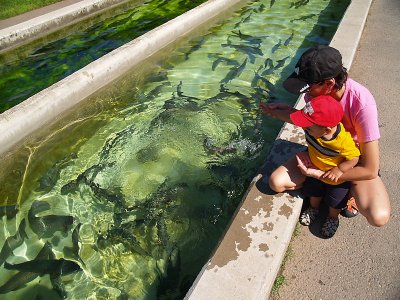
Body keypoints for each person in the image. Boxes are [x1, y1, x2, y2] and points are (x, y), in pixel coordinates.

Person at [260, 45, 390, 227]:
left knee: (378, 216)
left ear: (328, 84)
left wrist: (322, 175)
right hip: (322, 153)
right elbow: (311, 122)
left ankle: (344, 193)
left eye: (307, 89)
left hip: (352, 160)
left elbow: (369, 168)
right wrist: (279, 112)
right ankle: (327, 191)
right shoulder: (316, 94)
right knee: (276, 182)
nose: (305, 94)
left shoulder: (362, 103)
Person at [288, 95, 360, 237]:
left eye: (308, 128)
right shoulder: (314, 130)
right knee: (314, 192)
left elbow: (354, 158)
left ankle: (333, 218)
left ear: (326, 130)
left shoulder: (342, 141)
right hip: (316, 170)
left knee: (336, 201)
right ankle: (314, 208)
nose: (304, 128)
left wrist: (339, 169)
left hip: (336, 179)